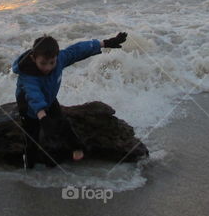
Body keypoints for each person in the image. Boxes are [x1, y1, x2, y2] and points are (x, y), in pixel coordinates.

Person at [12, 32, 127, 169]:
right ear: (33, 58)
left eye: (51, 62)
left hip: (49, 98)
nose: (48, 67)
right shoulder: (28, 74)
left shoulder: (60, 59)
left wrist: (105, 43)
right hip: (28, 106)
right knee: (32, 138)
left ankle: (77, 148)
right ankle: (29, 168)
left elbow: (77, 50)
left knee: (62, 123)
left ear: (56, 56)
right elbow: (33, 95)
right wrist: (43, 117)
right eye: (43, 63)